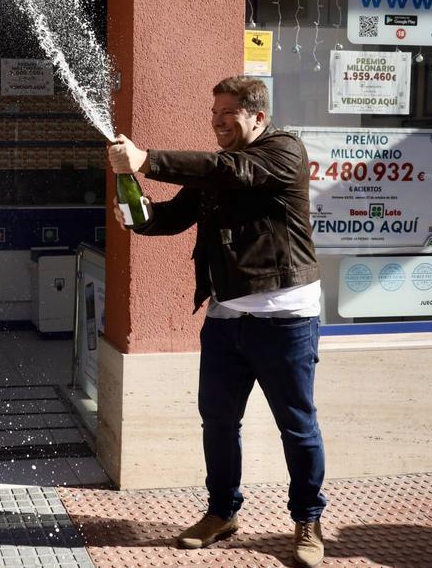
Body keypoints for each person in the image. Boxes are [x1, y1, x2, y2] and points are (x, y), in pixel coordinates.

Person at [107, 76, 327, 568]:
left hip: (284, 317)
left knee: (297, 424)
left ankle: (308, 519)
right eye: (214, 113)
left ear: (258, 117)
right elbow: (175, 216)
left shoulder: (282, 152)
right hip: (225, 316)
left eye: (228, 113)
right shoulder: (222, 167)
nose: (217, 122)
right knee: (219, 422)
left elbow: (232, 172)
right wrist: (140, 214)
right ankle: (222, 512)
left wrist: (147, 159)